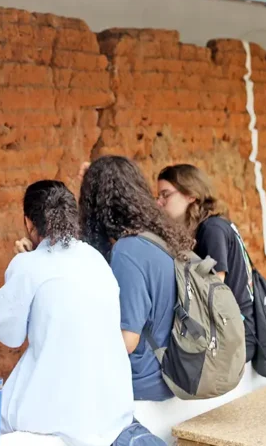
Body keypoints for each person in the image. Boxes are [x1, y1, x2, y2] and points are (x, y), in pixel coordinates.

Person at [0, 180, 156, 446]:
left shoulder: (28, 266)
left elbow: (10, 336)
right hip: (109, 405)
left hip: (56, 412)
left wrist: (20, 265)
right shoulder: (95, 259)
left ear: (29, 223)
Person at [78, 156, 194, 432]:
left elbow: (127, 340)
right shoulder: (161, 238)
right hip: (175, 369)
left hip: (147, 381)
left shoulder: (127, 252)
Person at [156, 164, 256, 362]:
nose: (160, 202)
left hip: (238, 338)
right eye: (158, 196)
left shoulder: (212, 229)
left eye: (165, 195)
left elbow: (212, 292)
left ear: (191, 195)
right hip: (233, 331)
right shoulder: (212, 225)